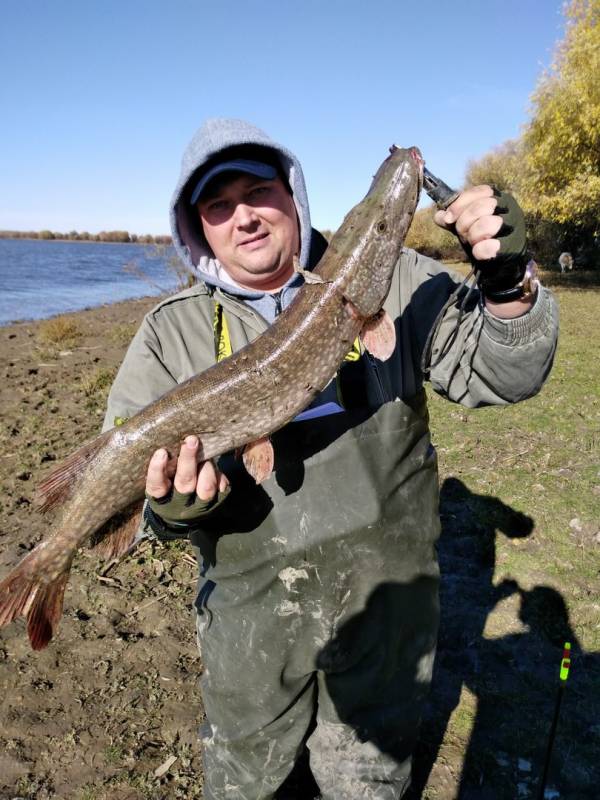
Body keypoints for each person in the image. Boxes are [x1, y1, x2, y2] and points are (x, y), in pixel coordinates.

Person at [104, 118, 558, 799]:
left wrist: (508, 285)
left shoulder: (401, 282)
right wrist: (168, 505)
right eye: (218, 206)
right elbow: (136, 500)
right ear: (198, 227)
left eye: (258, 192)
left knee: (368, 783)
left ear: (294, 195)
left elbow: (502, 372)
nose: (244, 218)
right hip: (250, 631)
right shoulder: (171, 332)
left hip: (386, 618)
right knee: (253, 784)